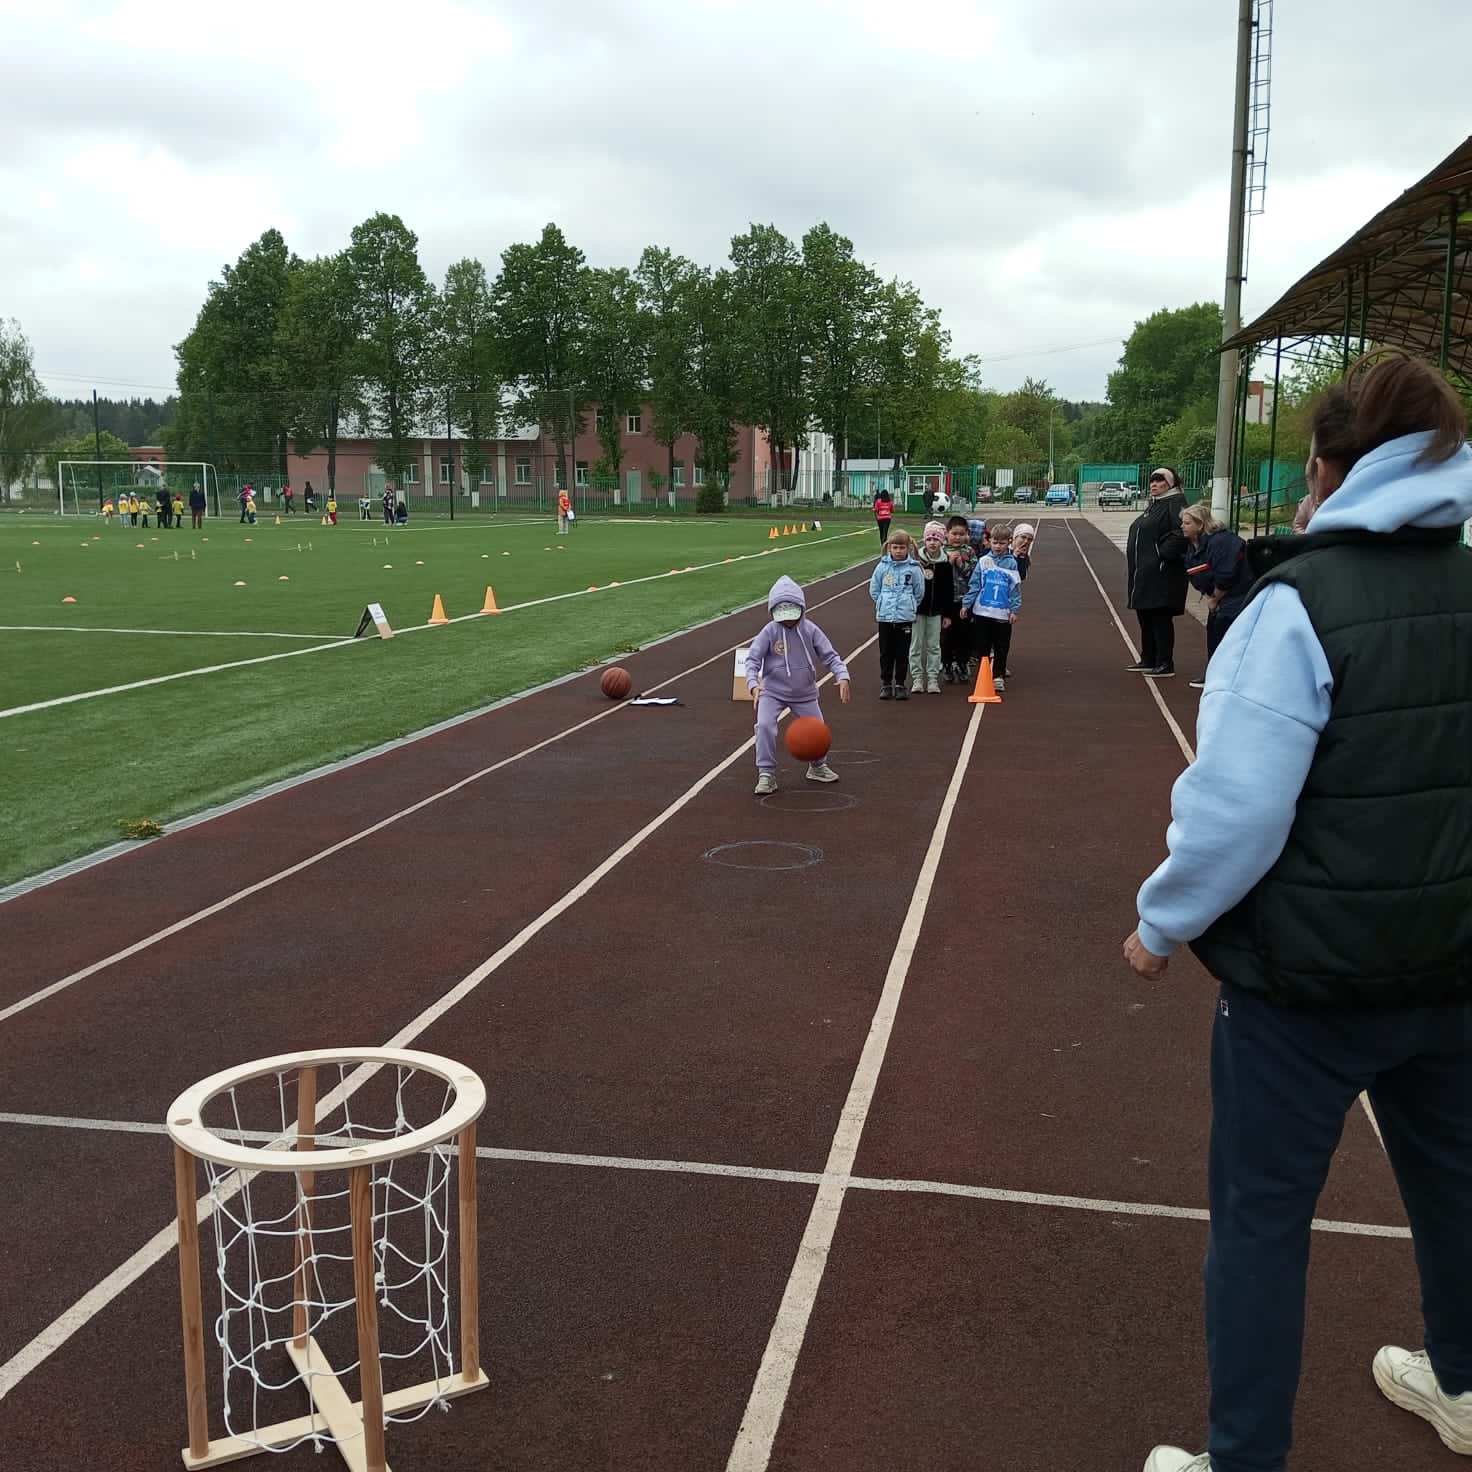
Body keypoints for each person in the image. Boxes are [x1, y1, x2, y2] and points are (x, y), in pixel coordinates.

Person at [1122, 351, 1472, 1472]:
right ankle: (1463, 1382)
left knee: (1261, 1223)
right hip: (1455, 969)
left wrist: (1160, 922)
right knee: (1457, 1188)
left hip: (1305, 987)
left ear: (1326, 468)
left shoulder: (1294, 605)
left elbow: (1234, 809)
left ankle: (1244, 1459)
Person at [744, 575, 851, 795]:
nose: (788, 621)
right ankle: (766, 774)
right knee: (764, 726)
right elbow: (752, 660)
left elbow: (830, 656)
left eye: (793, 615)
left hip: (805, 693)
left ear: (801, 609)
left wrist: (842, 676)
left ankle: (817, 766)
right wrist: (753, 685)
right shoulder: (769, 631)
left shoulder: (810, 630)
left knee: (817, 731)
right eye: (782, 616)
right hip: (772, 691)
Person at [1180, 502, 1253, 689]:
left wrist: (1215, 599)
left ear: (1200, 525)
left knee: (1226, 632)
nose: (1182, 526)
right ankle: (1215, 674)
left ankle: (1230, 679)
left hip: (1238, 594)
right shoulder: (1193, 546)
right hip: (1219, 595)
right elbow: (1195, 573)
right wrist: (1209, 596)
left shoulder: (1221, 542)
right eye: (1183, 522)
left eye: (1187, 523)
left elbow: (1227, 573)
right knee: (1213, 631)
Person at [1125, 466, 1188, 678]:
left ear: (1171, 484)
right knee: (1145, 614)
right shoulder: (1155, 505)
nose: (1154, 484)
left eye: (1160, 481)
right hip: (1143, 571)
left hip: (1161, 573)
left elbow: (1181, 532)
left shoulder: (1175, 503)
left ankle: (1164, 662)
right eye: (1152, 480)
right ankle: (1148, 657)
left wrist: (1161, 555)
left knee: (1159, 617)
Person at [959, 522, 1021, 692]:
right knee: (982, 645)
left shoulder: (1011, 564)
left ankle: (998, 675)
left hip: (1002, 614)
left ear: (1009, 542)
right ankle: (984, 673)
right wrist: (966, 604)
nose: (998, 546)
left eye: (1002, 543)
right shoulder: (983, 561)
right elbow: (975, 584)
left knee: (1001, 646)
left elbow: (1015, 588)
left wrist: (1014, 610)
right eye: (995, 542)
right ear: (990, 541)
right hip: (983, 613)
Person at [868, 528, 925, 699]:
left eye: (902, 547)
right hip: (885, 617)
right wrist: (882, 602)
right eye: (895, 547)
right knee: (886, 652)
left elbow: (919, 591)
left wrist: (910, 604)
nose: (898, 551)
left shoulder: (914, 569)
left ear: (908, 548)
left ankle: (900, 683)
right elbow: (874, 588)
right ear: (889, 548)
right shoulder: (882, 567)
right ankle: (886, 683)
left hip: (904, 618)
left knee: (902, 652)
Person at [908, 521, 954, 694]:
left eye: (936, 539)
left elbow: (949, 591)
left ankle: (933, 678)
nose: (932, 543)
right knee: (915, 646)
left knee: (934, 646)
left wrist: (947, 615)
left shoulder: (945, 565)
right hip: (917, 612)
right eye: (929, 539)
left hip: (936, 613)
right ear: (924, 541)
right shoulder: (916, 563)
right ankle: (917, 678)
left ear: (941, 542)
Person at [941, 517, 978, 684]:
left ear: (967, 535)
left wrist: (960, 563)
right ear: (947, 534)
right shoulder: (941, 551)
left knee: (964, 634)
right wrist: (949, 562)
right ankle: (947, 664)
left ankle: (962, 664)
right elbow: (937, 575)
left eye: (961, 534)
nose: (957, 537)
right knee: (946, 635)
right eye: (954, 533)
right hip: (946, 601)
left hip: (964, 601)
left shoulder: (969, 552)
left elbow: (974, 574)